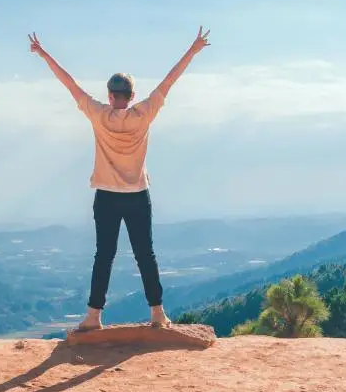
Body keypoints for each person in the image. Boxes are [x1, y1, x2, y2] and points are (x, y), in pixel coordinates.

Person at [28, 27, 211, 330]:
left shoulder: (98, 114)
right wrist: (193, 49)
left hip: (107, 196)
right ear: (132, 96)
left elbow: (69, 84)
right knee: (145, 255)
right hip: (138, 194)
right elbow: (169, 81)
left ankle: (93, 316)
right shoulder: (144, 114)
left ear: (110, 96)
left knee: (104, 256)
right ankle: (157, 314)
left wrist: (44, 54)